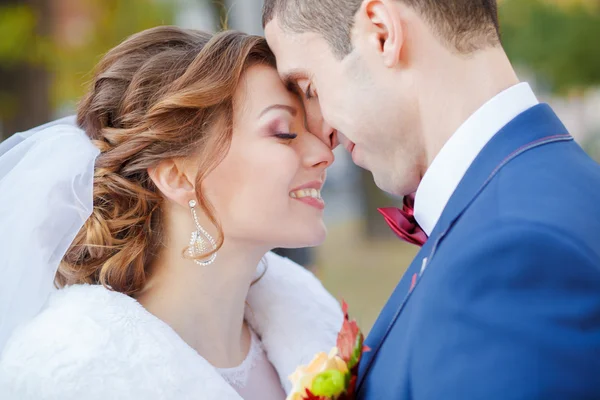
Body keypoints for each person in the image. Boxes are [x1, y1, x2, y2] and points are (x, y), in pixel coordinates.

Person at [262, 0, 600, 398]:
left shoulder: (511, 256)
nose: (322, 132)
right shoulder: (549, 190)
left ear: (381, 34)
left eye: (310, 89)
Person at [0, 27, 343, 400]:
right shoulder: (72, 375)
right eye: (283, 132)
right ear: (177, 175)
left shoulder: (318, 326)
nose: (323, 153)